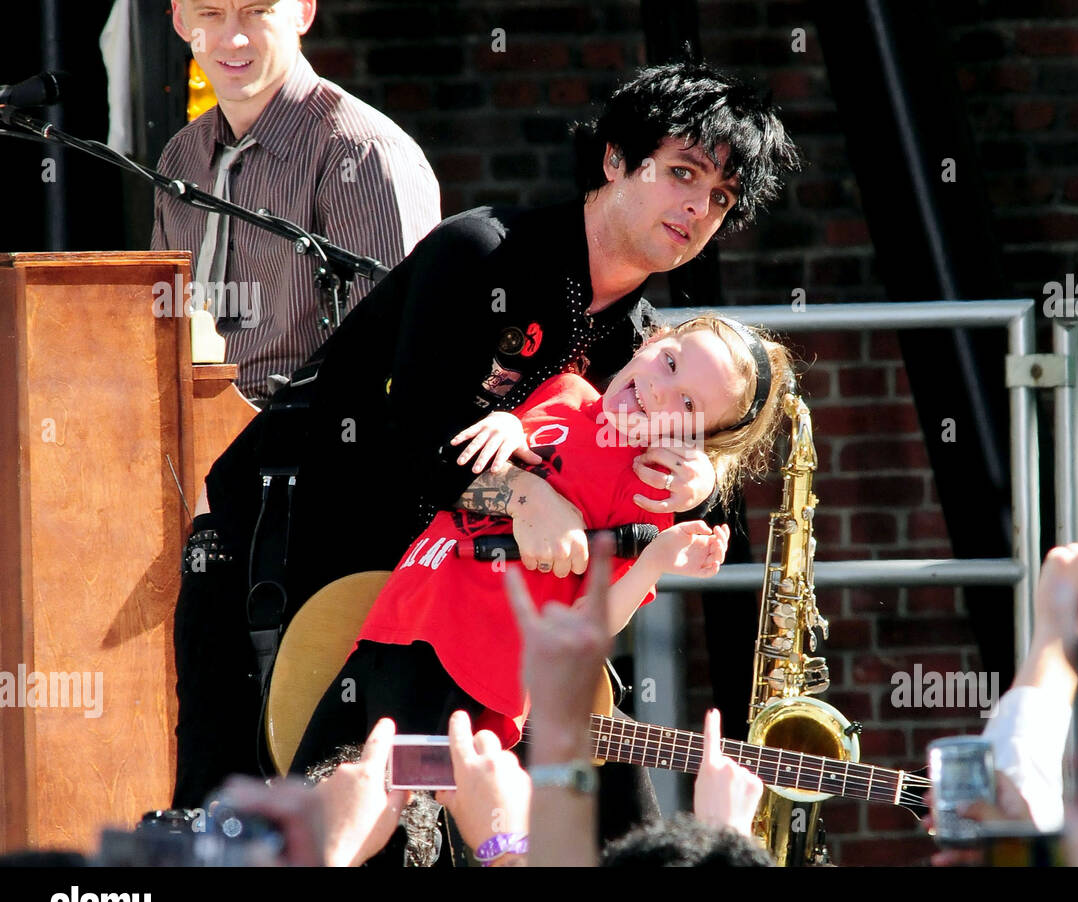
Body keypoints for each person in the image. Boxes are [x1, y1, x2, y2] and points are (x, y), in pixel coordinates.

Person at [172, 61, 799, 809]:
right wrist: (525, 496)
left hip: (428, 605)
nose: (698, 207)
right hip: (281, 546)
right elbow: (415, 437)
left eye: (721, 197)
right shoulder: (482, 252)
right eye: (682, 173)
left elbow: (643, 509)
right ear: (614, 159)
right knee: (232, 817)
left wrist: (701, 489)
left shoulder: (634, 346)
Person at [289, 315, 795, 776]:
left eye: (688, 404)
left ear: (697, 438)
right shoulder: (563, 389)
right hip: (397, 621)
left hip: (470, 669)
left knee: (400, 818)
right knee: (310, 799)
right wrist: (506, 419)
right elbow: (446, 445)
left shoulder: (644, 493)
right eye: (669, 363)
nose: (661, 392)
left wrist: (656, 559)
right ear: (654, 340)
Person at [152, 0, 441, 401]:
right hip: (183, 433)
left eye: (257, 12)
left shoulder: (361, 152)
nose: (233, 39)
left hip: (305, 444)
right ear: (181, 20)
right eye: (210, 13)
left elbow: (399, 350)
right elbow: (159, 325)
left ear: (303, 13)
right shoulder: (181, 154)